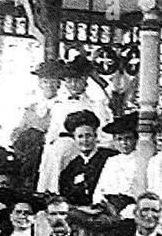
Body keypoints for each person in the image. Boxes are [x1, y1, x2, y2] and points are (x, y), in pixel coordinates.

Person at [35, 55, 113, 194]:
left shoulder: (94, 105)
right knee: (50, 157)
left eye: (77, 81)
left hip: (78, 145)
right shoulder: (59, 104)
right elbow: (53, 130)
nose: (73, 85)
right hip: (56, 147)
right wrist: (48, 144)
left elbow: (102, 132)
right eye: (69, 81)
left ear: (85, 82)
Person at [57, 110, 117, 206]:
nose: (85, 140)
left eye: (88, 135)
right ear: (74, 139)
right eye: (80, 136)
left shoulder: (109, 157)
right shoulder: (71, 167)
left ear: (95, 136)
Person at [92, 113, 141, 204]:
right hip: (109, 205)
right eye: (119, 139)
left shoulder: (140, 160)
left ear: (135, 139)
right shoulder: (112, 161)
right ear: (114, 141)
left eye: (128, 138)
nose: (124, 143)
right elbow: (100, 189)